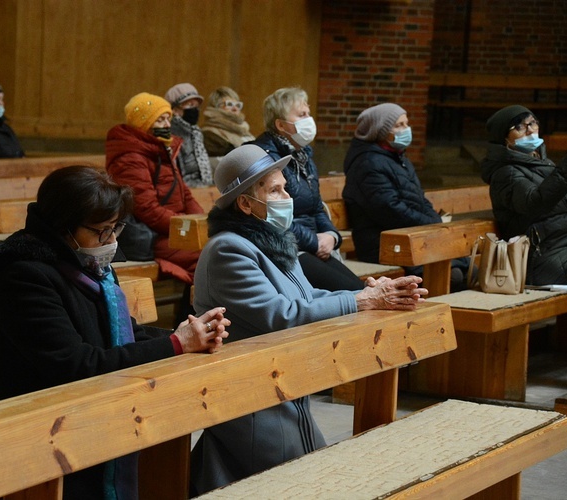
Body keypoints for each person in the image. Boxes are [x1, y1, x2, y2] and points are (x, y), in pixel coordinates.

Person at [0, 165, 230, 500]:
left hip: (84, 418)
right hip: (39, 430)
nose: (112, 241)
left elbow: (121, 332)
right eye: (102, 231)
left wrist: (183, 335)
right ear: (63, 227)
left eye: (116, 228)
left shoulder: (88, 268)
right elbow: (77, 365)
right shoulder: (23, 279)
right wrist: (176, 344)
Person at [189, 144, 428, 495]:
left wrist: (369, 298)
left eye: (284, 186)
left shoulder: (270, 242)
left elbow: (306, 298)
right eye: (275, 190)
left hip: (286, 387)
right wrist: (362, 300)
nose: (287, 196)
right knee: (285, 485)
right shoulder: (229, 250)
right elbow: (283, 315)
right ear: (244, 203)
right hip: (252, 399)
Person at [342, 102, 471, 291]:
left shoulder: (398, 158)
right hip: (384, 244)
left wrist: (435, 222)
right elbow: (389, 209)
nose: (406, 129)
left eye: (406, 124)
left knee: (469, 269)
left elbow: (419, 198)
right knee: (454, 276)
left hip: (410, 238)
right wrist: (432, 224)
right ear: (381, 131)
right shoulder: (368, 164)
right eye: (399, 125)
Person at [248, 87, 364, 292]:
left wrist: (331, 236)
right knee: (351, 292)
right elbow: (270, 213)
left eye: (308, 113)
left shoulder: (304, 157)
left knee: (358, 288)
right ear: (281, 125)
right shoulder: (264, 158)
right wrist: (314, 242)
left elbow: (316, 207)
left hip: (312, 247)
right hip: (282, 248)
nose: (309, 119)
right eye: (302, 115)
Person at [105, 92, 204, 310]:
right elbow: (146, 209)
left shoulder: (160, 149)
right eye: (160, 120)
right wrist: (186, 227)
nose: (167, 124)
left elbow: (184, 193)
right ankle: (197, 317)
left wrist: (202, 223)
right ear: (144, 123)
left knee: (216, 247)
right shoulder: (130, 156)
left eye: (168, 118)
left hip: (174, 230)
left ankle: (196, 314)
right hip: (152, 235)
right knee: (207, 259)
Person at [481, 104, 567, 294]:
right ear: (505, 139)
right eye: (520, 127)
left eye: (532, 123)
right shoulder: (506, 174)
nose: (530, 129)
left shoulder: (543, 164)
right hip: (541, 260)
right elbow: (536, 202)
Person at [165, 83, 214, 187]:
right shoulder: (172, 135)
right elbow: (178, 174)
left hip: (203, 187)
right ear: (175, 110)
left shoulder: (196, 132)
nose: (195, 110)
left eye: (196, 106)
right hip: (188, 189)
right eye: (190, 105)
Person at [201, 86, 255, 157]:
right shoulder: (209, 134)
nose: (235, 109)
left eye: (238, 105)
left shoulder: (243, 130)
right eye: (229, 104)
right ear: (216, 107)